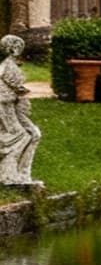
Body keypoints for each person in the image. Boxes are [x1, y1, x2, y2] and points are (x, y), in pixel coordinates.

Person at [0, 36, 42, 187]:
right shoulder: (8, 66)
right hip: (5, 105)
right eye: (18, 47)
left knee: (34, 134)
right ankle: (8, 176)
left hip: (12, 104)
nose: (20, 50)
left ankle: (23, 174)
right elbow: (17, 87)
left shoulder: (9, 65)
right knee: (21, 136)